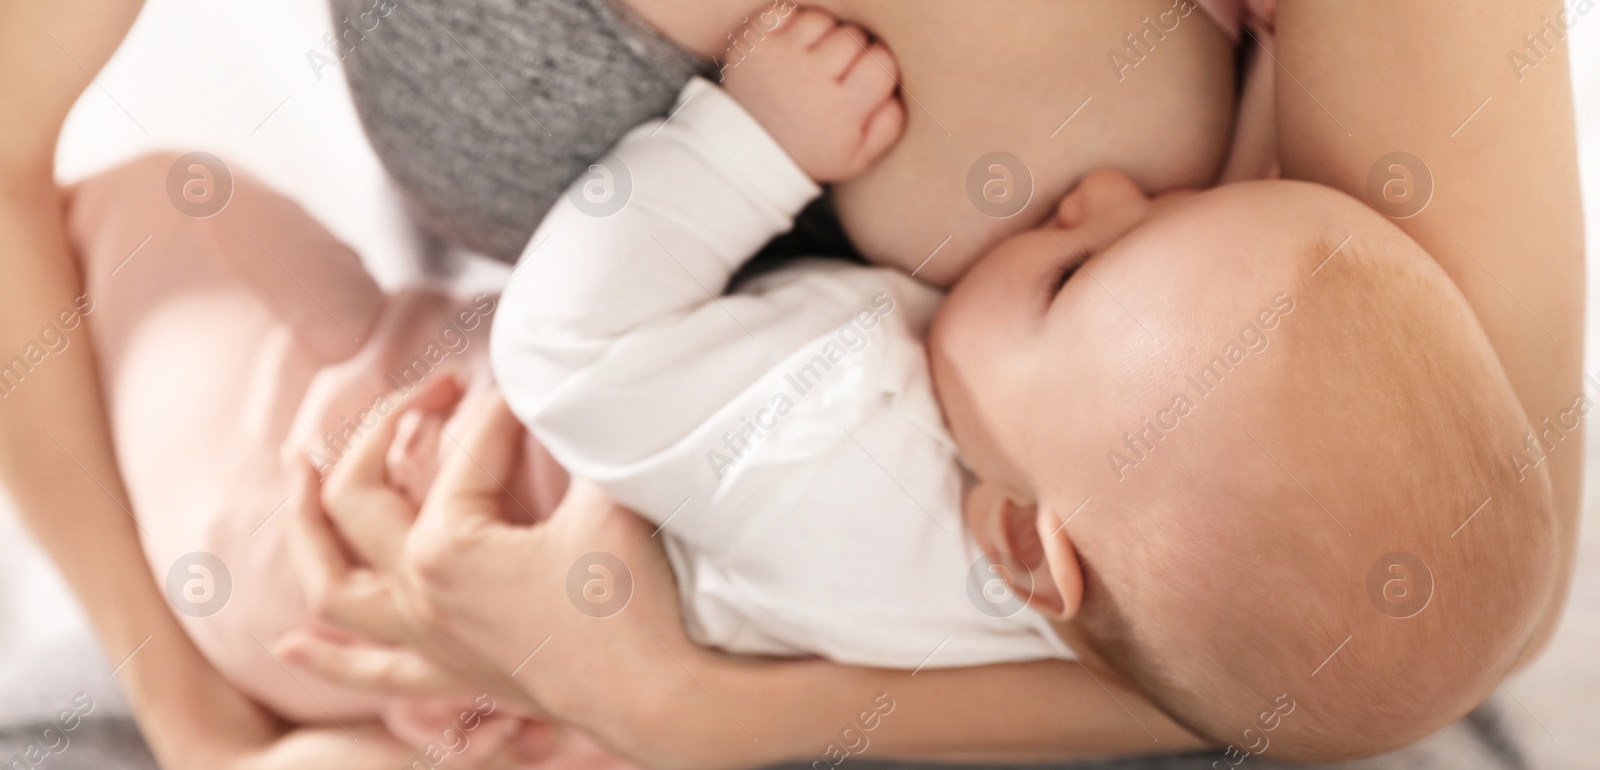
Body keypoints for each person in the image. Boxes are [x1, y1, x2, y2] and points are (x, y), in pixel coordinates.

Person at [0, 1, 1582, 768]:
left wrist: (672, 702)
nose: (1099, 215)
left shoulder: (898, 435)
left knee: (171, 247)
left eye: (1101, 255)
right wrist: (188, 709)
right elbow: (1367, 638)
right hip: (451, 525)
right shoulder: (1056, 517)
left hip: (416, 492)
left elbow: (1432, 599)